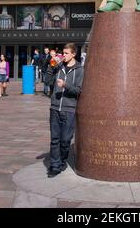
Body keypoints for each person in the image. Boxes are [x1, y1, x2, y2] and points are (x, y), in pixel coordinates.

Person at [48, 43, 84, 178]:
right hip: (55, 107)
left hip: (69, 110)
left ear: (73, 54)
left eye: (66, 53)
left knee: (65, 140)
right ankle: (55, 165)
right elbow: (47, 82)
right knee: (54, 139)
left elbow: (78, 90)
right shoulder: (59, 67)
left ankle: (62, 160)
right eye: (63, 53)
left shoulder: (80, 70)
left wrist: (65, 85)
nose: (63, 56)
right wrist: (51, 67)